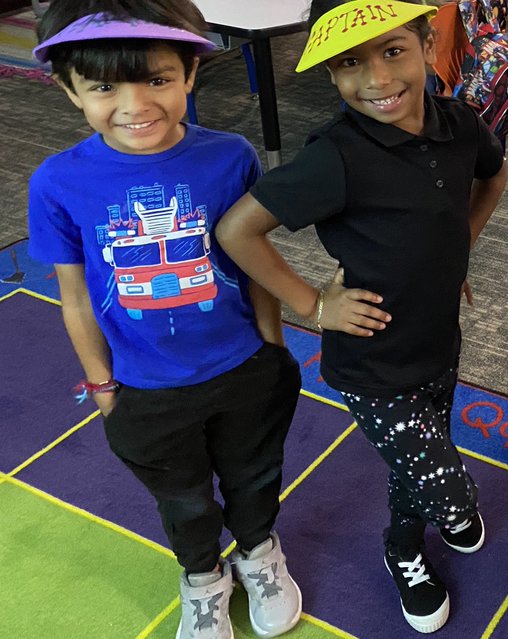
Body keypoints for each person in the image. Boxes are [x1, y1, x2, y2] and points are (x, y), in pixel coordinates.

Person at [214, 0, 507, 633]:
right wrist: (312, 303)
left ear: (430, 45)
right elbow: (238, 230)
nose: (376, 79)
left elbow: (494, 177)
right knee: (450, 492)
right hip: (371, 364)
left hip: (438, 343)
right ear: (330, 76)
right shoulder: (336, 156)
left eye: (393, 51)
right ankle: (432, 520)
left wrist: (460, 248)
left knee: (417, 466)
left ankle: (404, 547)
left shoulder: (460, 124)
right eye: (350, 64)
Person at [27, 2, 303, 638]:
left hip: (242, 366)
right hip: (143, 387)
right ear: (69, 90)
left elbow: (255, 257)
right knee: (181, 496)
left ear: (190, 75)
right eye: (102, 86)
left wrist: (271, 345)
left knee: (254, 475)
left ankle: (259, 551)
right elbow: (73, 296)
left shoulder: (231, 156)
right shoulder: (56, 183)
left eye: (156, 78)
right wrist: (102, 386)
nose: (135, 104)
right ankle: (203, 574)